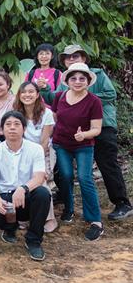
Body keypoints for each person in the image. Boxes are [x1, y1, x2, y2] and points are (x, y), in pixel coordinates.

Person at [39, 44, 132, 221]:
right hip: (72, 132)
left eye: (76, 56)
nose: (72, 59)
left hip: (101, 126)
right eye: (68, 57)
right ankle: (66, 199)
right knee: (62, 167)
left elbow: (110, 94)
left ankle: (122, 203)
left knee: (107, 163)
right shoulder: (66, 82)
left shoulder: (97, 74)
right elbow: (54, 99)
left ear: (84, 59)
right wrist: (45, 90)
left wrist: (83, 95)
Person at [0, 111, 51, 261]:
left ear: (24, 128)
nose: (12, 128)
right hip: (4, 195)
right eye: (8, 124)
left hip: (25, 196)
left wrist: (23, 188)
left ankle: (33, 240)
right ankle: (10, 228)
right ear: (2, 129)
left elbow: (39, 177)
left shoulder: (35, 149)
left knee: (43, 194)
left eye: (16, 124)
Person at [50, 62, 104, 240]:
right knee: (65, 176)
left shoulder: (94, 101)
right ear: (68, 80)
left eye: (82, 78)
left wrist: (84, 135)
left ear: (88, 81)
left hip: (84, 145)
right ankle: (69, 208)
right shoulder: (60, 96)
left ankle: (95, 220)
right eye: (74, 78)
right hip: (61, 143)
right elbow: (56, 118)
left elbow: (97, 129)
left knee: (84, 177)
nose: (78, 81)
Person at [13, 82, 58, 232]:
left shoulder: (47, 113)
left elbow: (44, 142)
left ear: (38, 94)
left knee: (41, 181)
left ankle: (50, 218)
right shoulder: (16, 113)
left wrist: (35, 161)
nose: (27, 95)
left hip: (43, 152)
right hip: (22, 151)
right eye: (23, 92)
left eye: (31, 91)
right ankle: (25, 216)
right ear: (19, 95)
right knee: (22, 179)